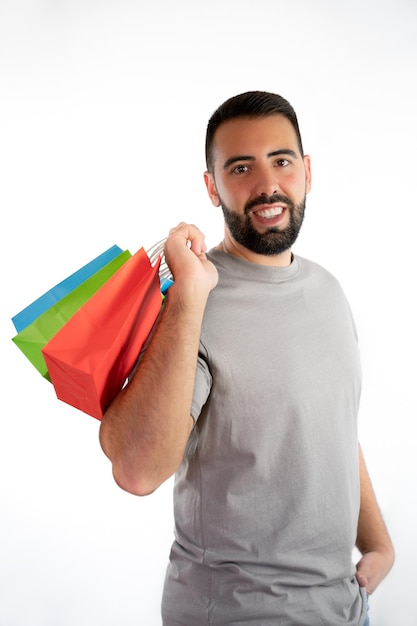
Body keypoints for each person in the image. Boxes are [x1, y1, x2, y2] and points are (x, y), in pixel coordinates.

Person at [99, 91, 394, 625]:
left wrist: (378, 543)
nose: (267, 184)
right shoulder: (190, 302)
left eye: (281, 161)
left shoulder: (329, 291)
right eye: (241, 167)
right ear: (212, 187)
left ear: (306, 171)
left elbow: (329, 429)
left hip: (344, 610)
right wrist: (188, 298)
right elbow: (137, 470)